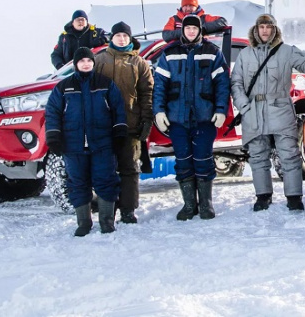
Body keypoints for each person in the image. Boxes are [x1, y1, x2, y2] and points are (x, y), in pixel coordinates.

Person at [231, 14, 305, 212]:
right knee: (258, 156)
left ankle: (294, 197)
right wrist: (244, 107)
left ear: (275, 30)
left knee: (289, 155)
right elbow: (236, 83)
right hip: (253, 111)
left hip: (280, 108)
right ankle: (263, 197)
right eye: (261, 27)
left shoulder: (286, 51)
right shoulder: (245, 55)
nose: (265, 30)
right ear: (256, 30)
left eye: (269, 27)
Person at [152, 14, 230, 221]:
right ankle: (189, 205)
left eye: (195, 28)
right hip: (177, 119)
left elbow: (222, 84)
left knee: (203, 160)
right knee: (183, 161)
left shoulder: (213, 52)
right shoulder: (169, 53)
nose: (191, 31)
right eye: (188, 28)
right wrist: (159, 111)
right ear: (183, 30)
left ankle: (205, 204)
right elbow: (159, 86)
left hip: (204, 118)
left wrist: (221, 110)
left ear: (200, 30)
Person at [44, 47, 127, 236]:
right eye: (82, 61)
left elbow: (118, 109)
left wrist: (119, 131)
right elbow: (52, 113)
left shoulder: (105, 84)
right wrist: (54, 136)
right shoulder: (63, 87)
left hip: (102, 143)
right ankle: (83, 223)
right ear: (76, 64)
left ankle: (107, 222)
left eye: (89, 61)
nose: (86, 64)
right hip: (73, 145)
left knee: (106, 180)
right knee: (77, 183)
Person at [93, 22, 154, 224]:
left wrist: (147, 119)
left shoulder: (139, 63)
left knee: (129, 168)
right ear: (112, 38)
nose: (121, 39)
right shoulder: (99, 60)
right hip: (104, 126)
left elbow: (147, 94)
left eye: (125, 36)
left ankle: (128, 210)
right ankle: (107, 210)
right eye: (118, 35)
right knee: (106, 169)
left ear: (130, 38)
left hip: (131, 125)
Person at [161, 0, 228, 41]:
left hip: (201, 50)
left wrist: (202, 29)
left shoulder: (204, 18)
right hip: (178, 51)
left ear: (196, 6)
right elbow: (166, 35)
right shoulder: (174, 19)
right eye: (185, 6)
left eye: (191, 6)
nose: (188, 8)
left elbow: (223, 21)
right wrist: (185, 32)